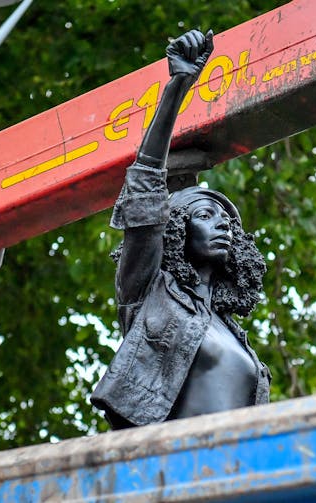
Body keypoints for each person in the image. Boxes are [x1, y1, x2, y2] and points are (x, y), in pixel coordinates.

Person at [91, 30, 271, 430]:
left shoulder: (235, 335)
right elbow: (145, 191)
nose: (222, 222)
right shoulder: (150, 295)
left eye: (227, 220)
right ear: (177, 232)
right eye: (205, 214)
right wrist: (178, 87)